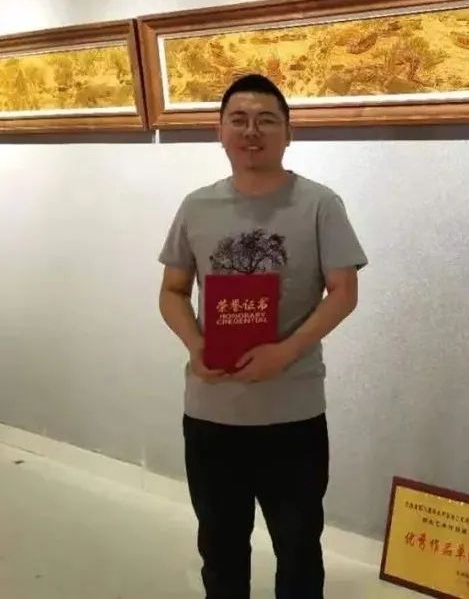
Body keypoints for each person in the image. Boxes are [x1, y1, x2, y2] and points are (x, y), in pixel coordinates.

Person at [157, 73, 367, 599]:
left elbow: (343, 292)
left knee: (298, 549)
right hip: (211, 413)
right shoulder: (196, 207)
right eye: (239, 120)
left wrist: (284, 353)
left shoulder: (320, 204)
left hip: (292, 414)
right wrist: (196, 345)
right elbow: (173, 291)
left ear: (289, 133)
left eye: (266, 120)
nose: (252, 131)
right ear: (220, 132)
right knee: (221, 547)